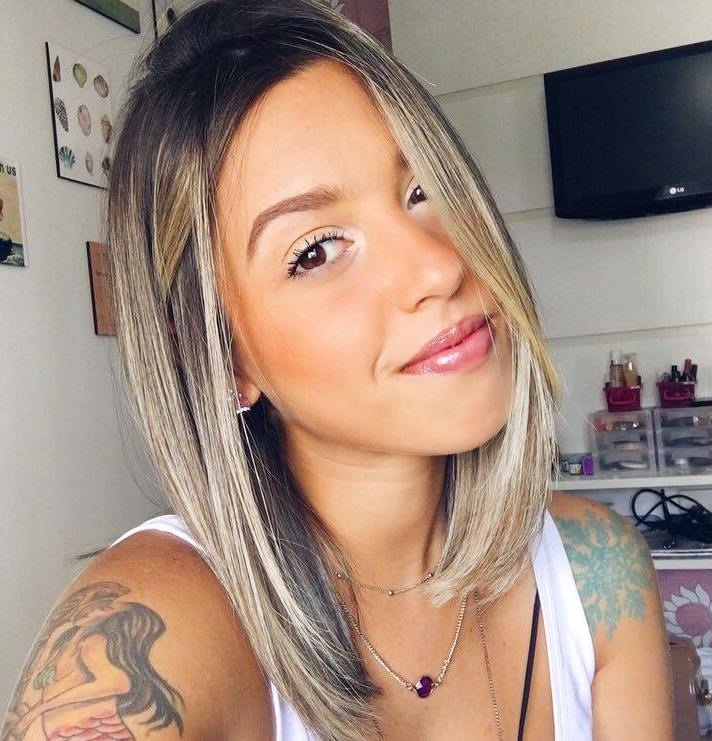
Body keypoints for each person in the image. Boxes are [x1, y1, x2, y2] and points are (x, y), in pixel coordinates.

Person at [2, 0, 675, 738]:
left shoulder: (597, 573)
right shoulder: (152, 633)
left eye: (423, 190)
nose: (440, 265)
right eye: (316, 251)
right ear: (219, 359)